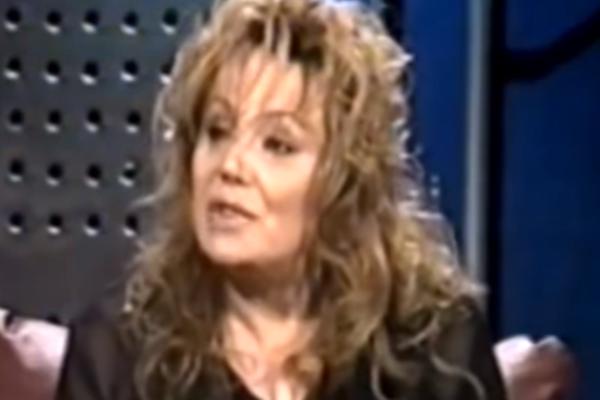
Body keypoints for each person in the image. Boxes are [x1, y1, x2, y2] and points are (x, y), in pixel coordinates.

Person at [55, 0, 506, 399]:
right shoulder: (117, 353)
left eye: (277, 145)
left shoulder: (438, 350)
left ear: (346, 181)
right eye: (217, 131)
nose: (230, 166)